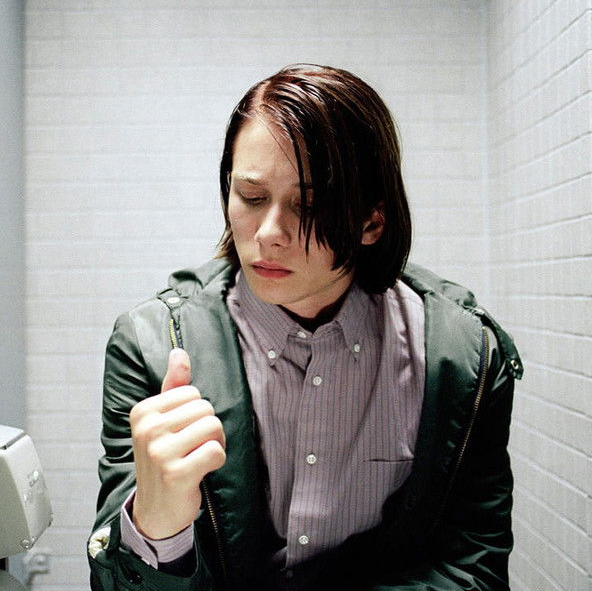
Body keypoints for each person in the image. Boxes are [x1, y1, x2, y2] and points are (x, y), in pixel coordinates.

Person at [87, 64, 523, 591]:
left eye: (310, 205)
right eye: (251, 197)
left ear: (372, 221)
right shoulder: (151, 346)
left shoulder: (464, 358)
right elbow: (114, 582)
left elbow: (474, 566)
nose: (269, 234)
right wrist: (156, 527)